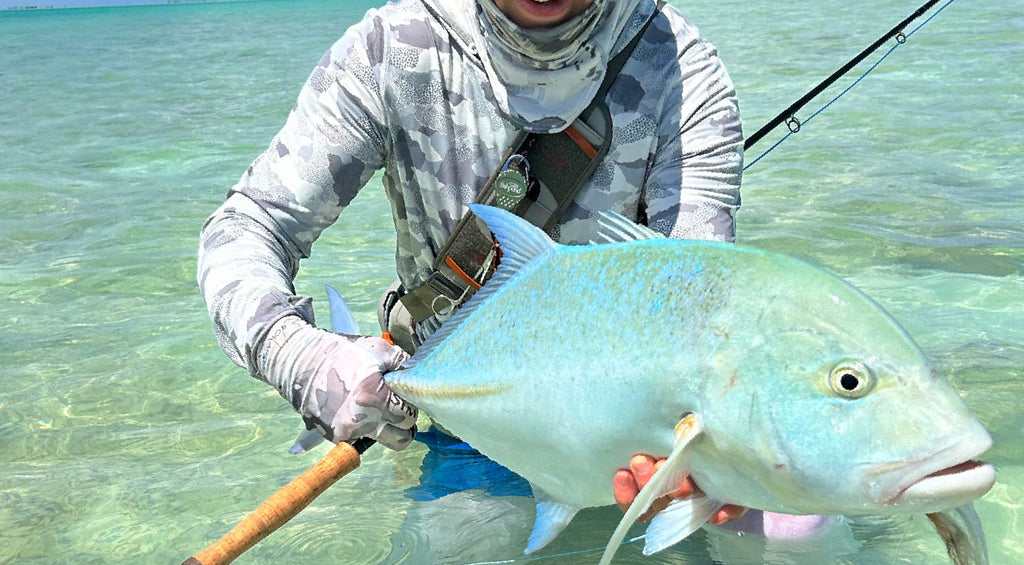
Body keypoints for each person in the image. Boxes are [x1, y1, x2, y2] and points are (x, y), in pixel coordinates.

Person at [197, 0, 745, 523]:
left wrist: (708, 441)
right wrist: (301, 356)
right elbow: (247, 226)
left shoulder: (682, 73)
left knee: (787, 538)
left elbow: (698, 309)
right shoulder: (394, 50)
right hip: (472, 431)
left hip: (634, 429)